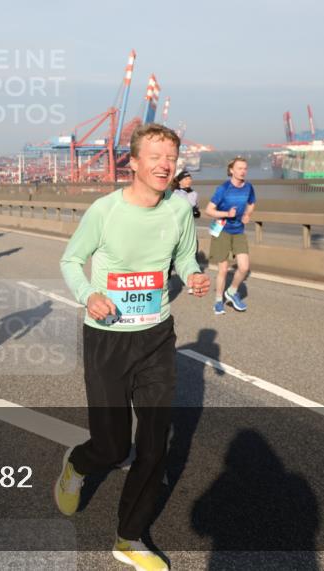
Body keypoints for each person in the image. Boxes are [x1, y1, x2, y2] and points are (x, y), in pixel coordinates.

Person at [57, 122, 211, 571]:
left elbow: (183, 256)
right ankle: (77, 466)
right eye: (157, 158)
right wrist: (91, 295)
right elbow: (70, 259)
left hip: (156, 334)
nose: (166, 166)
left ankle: (129, 537)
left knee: (155, 443)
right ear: (134, 162)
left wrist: (193, 274)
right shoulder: (104, 212)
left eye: (172, 159)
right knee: (111, 447)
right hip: (107, 337)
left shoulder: (179, 211)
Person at [205, 156, 255, 314]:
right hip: (222, 230)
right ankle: (218, 301)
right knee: (223, 270)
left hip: (239, 231)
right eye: (239, 168)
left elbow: (252, 203)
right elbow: (209, 210)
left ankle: (232, 292)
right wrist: (226, 213)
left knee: (244, 267)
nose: (243, 171)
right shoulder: (223, 188)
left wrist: (247, 214)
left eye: (245, 168)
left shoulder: (249, 188)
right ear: (231, 170)